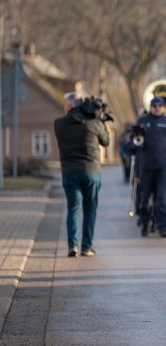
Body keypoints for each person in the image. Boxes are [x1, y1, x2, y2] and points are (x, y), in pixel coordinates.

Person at [54, 91, 110, 257]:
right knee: (90, 208)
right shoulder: (94, 123)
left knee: (73, 208)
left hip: (70, 172)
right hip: (91, 171)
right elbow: (106, 141)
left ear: (70, 106)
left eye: (65, 104)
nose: (64, 107)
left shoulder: (59, 123)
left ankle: (73, 245)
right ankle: (87, 246)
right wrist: (100, 120)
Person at [133, 96, 166, 238]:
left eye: (160, 105)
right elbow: (133, 147)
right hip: (145, 168)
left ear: (163, 107)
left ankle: (162, 227)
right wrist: (136, 172)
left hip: (164, 168)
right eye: (154, 105)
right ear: (151, 107)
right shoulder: (142, 122)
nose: (157, 107)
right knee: (145, 199)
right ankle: (145, 224)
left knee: (161, 200)